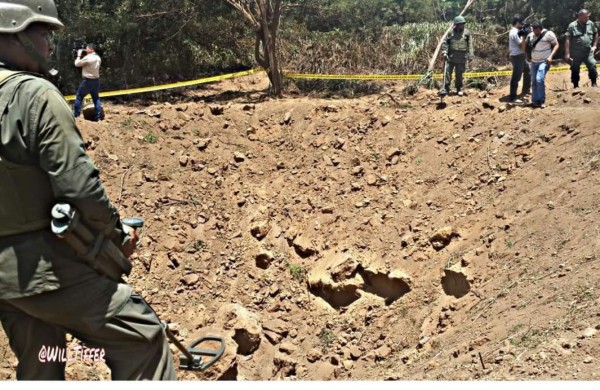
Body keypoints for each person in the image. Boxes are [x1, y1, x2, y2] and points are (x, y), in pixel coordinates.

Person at [0, 0, 176, 380]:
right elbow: (78, 186)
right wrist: (115, 234)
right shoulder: (35, 96)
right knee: (143, 339)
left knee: (42, 361)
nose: (50, 43)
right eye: (42, 32)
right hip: (45, 271)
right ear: (12, 33)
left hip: (6, 282)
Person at [521, 21, 559, 108]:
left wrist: (551, 57)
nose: (536, 33)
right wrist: (523, 36)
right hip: (534, 62)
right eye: (534, 31)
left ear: (541, 29)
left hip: (544, 61)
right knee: (533, 81)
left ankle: (542, 100)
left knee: (539, 79)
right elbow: (523, 48)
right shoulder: (530, 35)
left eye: (538, 31)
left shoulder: (549, 34)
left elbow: (556, 45)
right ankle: (535, 101)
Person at [564, 9, 598, 88]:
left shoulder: (590, 24)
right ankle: (575, 85)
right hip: (576, 53)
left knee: (592, 65)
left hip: (588, 51)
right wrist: (567, 53)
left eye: (588, 17)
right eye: (586, 17)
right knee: (575, 68)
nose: (588, 19)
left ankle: (594, 83)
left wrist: (595, 45)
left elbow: (596, 33)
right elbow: (567, 39)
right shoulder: (572, 26)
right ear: (580, 17)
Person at [442, 15, 474, 97]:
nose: (462, 25)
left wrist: (471, 55)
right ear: (456, 25)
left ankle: (459, 88)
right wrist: (444, 51)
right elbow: (445, 42)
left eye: (463, 24)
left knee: (459, 74)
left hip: (461, 57)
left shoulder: (467, 33)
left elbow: (470, 44)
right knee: (447, 73)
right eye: (460, 24)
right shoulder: (450, 32)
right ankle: (446, 88)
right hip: (451, 56)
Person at [74, 43, 104, 121]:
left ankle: (76, 116)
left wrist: (78, 55)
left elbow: (76, 64)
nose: (86, 50)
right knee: (96, 98)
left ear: (91, 49)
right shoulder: (98, 57)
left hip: (88, 81)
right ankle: (98, 118)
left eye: (87, 48)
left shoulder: (88, 58)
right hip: (96, 81)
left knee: (79, 97)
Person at [508, 15, 531, 102]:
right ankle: (513, 97)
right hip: (517, 56)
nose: (522, 25)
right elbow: (522, 47)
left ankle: (525, 90)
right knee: (516, 77)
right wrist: (524, 35)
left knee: (528, 71)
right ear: (517, 22)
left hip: (520, 56)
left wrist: (523, 32)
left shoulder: (517, 31)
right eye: (521, 23)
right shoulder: (514, 32)